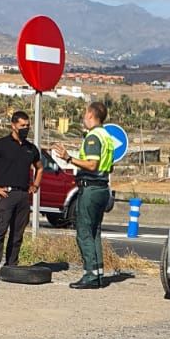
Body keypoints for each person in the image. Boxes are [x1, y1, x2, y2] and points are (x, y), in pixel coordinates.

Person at [54, 100, 116, 290]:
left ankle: (90, 274)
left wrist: (69, 158)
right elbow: (109, 165)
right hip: (102, 187)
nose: (83, 117)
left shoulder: (93, 137)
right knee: (95, 231)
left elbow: (92, 164)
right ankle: (97, 273)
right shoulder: (107, 137)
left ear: (90, 114)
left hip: (91, 188)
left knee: (83, 232)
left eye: (84, 114)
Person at [0, 111, 42, 281]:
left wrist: (35, 184)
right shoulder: (1, 145)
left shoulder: (31, 148)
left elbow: (40, 168)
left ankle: (11, 267)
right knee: (0, 231)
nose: (25, 129)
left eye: (27, 126)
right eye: (22, 126)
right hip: (5, 195)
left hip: (22, 195)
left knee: (17, 234)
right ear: (13, 125)